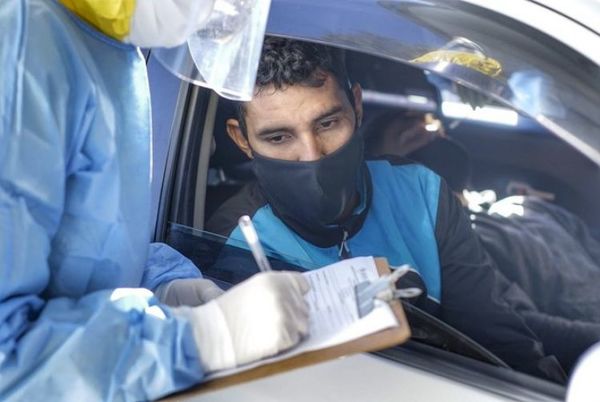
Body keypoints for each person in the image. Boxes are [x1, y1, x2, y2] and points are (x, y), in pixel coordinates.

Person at [207, 37, 569, 382]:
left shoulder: (421, 192)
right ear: (242, 139)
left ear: (357, 107)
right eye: (278, 137)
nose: (312, 156)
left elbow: (496, 334)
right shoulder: (235, 239)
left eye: (328, 123)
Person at [0, 1, 310, 401]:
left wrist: (162, 285)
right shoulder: (22, 50)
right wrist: (202, 339)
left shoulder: (112, 48)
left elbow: (82, 242)